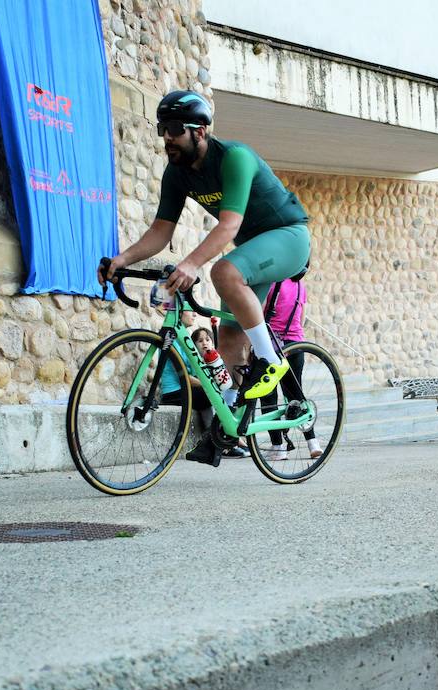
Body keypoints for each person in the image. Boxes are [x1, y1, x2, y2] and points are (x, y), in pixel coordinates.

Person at [100, 90, 311, 465]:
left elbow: (229, 225)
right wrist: (122, 259)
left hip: (288, 237)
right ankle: (226, 426)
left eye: (175, 129)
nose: (167, 137)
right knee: (228, 333)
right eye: (162, 128)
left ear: (200, 131)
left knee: (222, 270)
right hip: (253, 250)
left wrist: (192, 264)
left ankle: (270, 361)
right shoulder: (177, 173)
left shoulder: (234, 158)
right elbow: (160, 232)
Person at [258, 272, 323, 460]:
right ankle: (313, 443)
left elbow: (259, 315)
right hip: (296, 345)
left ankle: (278, 447)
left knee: (268, 397)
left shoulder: (271, 281)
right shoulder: (300, 285)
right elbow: (301, 318)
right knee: (296, 395)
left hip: (273, 345)